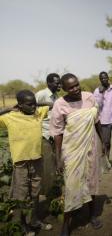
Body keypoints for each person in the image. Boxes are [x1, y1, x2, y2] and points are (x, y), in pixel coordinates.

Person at [50, 73, 105, 236]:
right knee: (71, 184)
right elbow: (58, 133)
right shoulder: (59, 104)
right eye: (71, 87)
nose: (75, 89)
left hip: (91, 146)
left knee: (91, 180)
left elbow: (97, 121)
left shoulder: (89, 98)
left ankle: (93, 214)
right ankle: (67, 223)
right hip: (72, 149)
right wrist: (58, 157)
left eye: (77, 84)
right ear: (64, 89)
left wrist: (104, 143)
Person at [0, 90, 52, 235]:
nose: (33, 107)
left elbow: (51, 104)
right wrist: (9, 108)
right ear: (20, 105)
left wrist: (36, 103)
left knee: (35, 193)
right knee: (21, 196)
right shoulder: (10, 117)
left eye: (34, 104)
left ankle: (34, 220)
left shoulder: (38, 113)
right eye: (30, 105)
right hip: (21, 164)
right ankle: (23, 224)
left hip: (37, 160)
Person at [35, 73, 61, 195]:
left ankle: (52, 188)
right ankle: (45, 192)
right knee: (47, 164)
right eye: (57, 83)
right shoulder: (41, 94)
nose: (59, 85)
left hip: (54, 133)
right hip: (43, 133)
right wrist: (47, 105)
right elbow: (30, 106)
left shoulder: (56, 96)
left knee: (54, 162)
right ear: (49, 83)